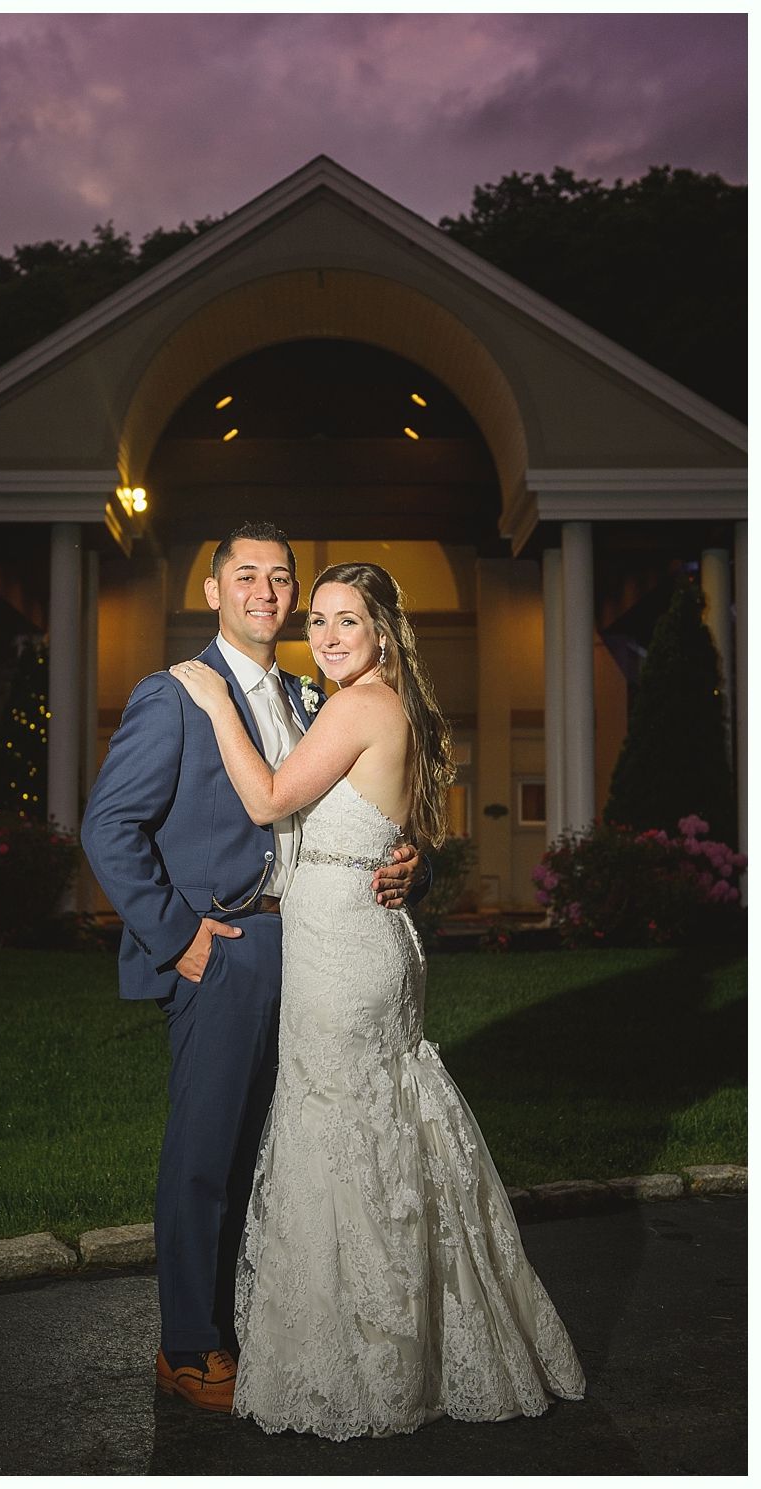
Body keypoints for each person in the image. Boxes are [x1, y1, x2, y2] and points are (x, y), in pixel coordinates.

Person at [170, 560, 586, 1439]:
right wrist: (411, 863)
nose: (323, 636)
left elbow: (273, 796)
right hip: (360, 937)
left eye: (345, 622)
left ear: (383, 634)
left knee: (341, 1133)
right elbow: (385, 828)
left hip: (345, 954)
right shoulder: (376, 704)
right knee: (378, 1131)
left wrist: (211, 702)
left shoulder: (360, 705)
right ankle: (394, 1340)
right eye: (315, 620)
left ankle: (365, 1359)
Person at [80, 525, 425, 1414]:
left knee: (275, 1151)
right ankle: (189, 1344)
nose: (266, 591)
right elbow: (108, 827)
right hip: (223, 947)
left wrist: (400, 852)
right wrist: (176, 935)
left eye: (281, 578)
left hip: (309, 947)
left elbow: (346, 799)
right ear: (213, 589)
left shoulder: (317, 694)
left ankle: (251, 1323)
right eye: (247, 575)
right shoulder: (176, 694)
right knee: (205, 1149)